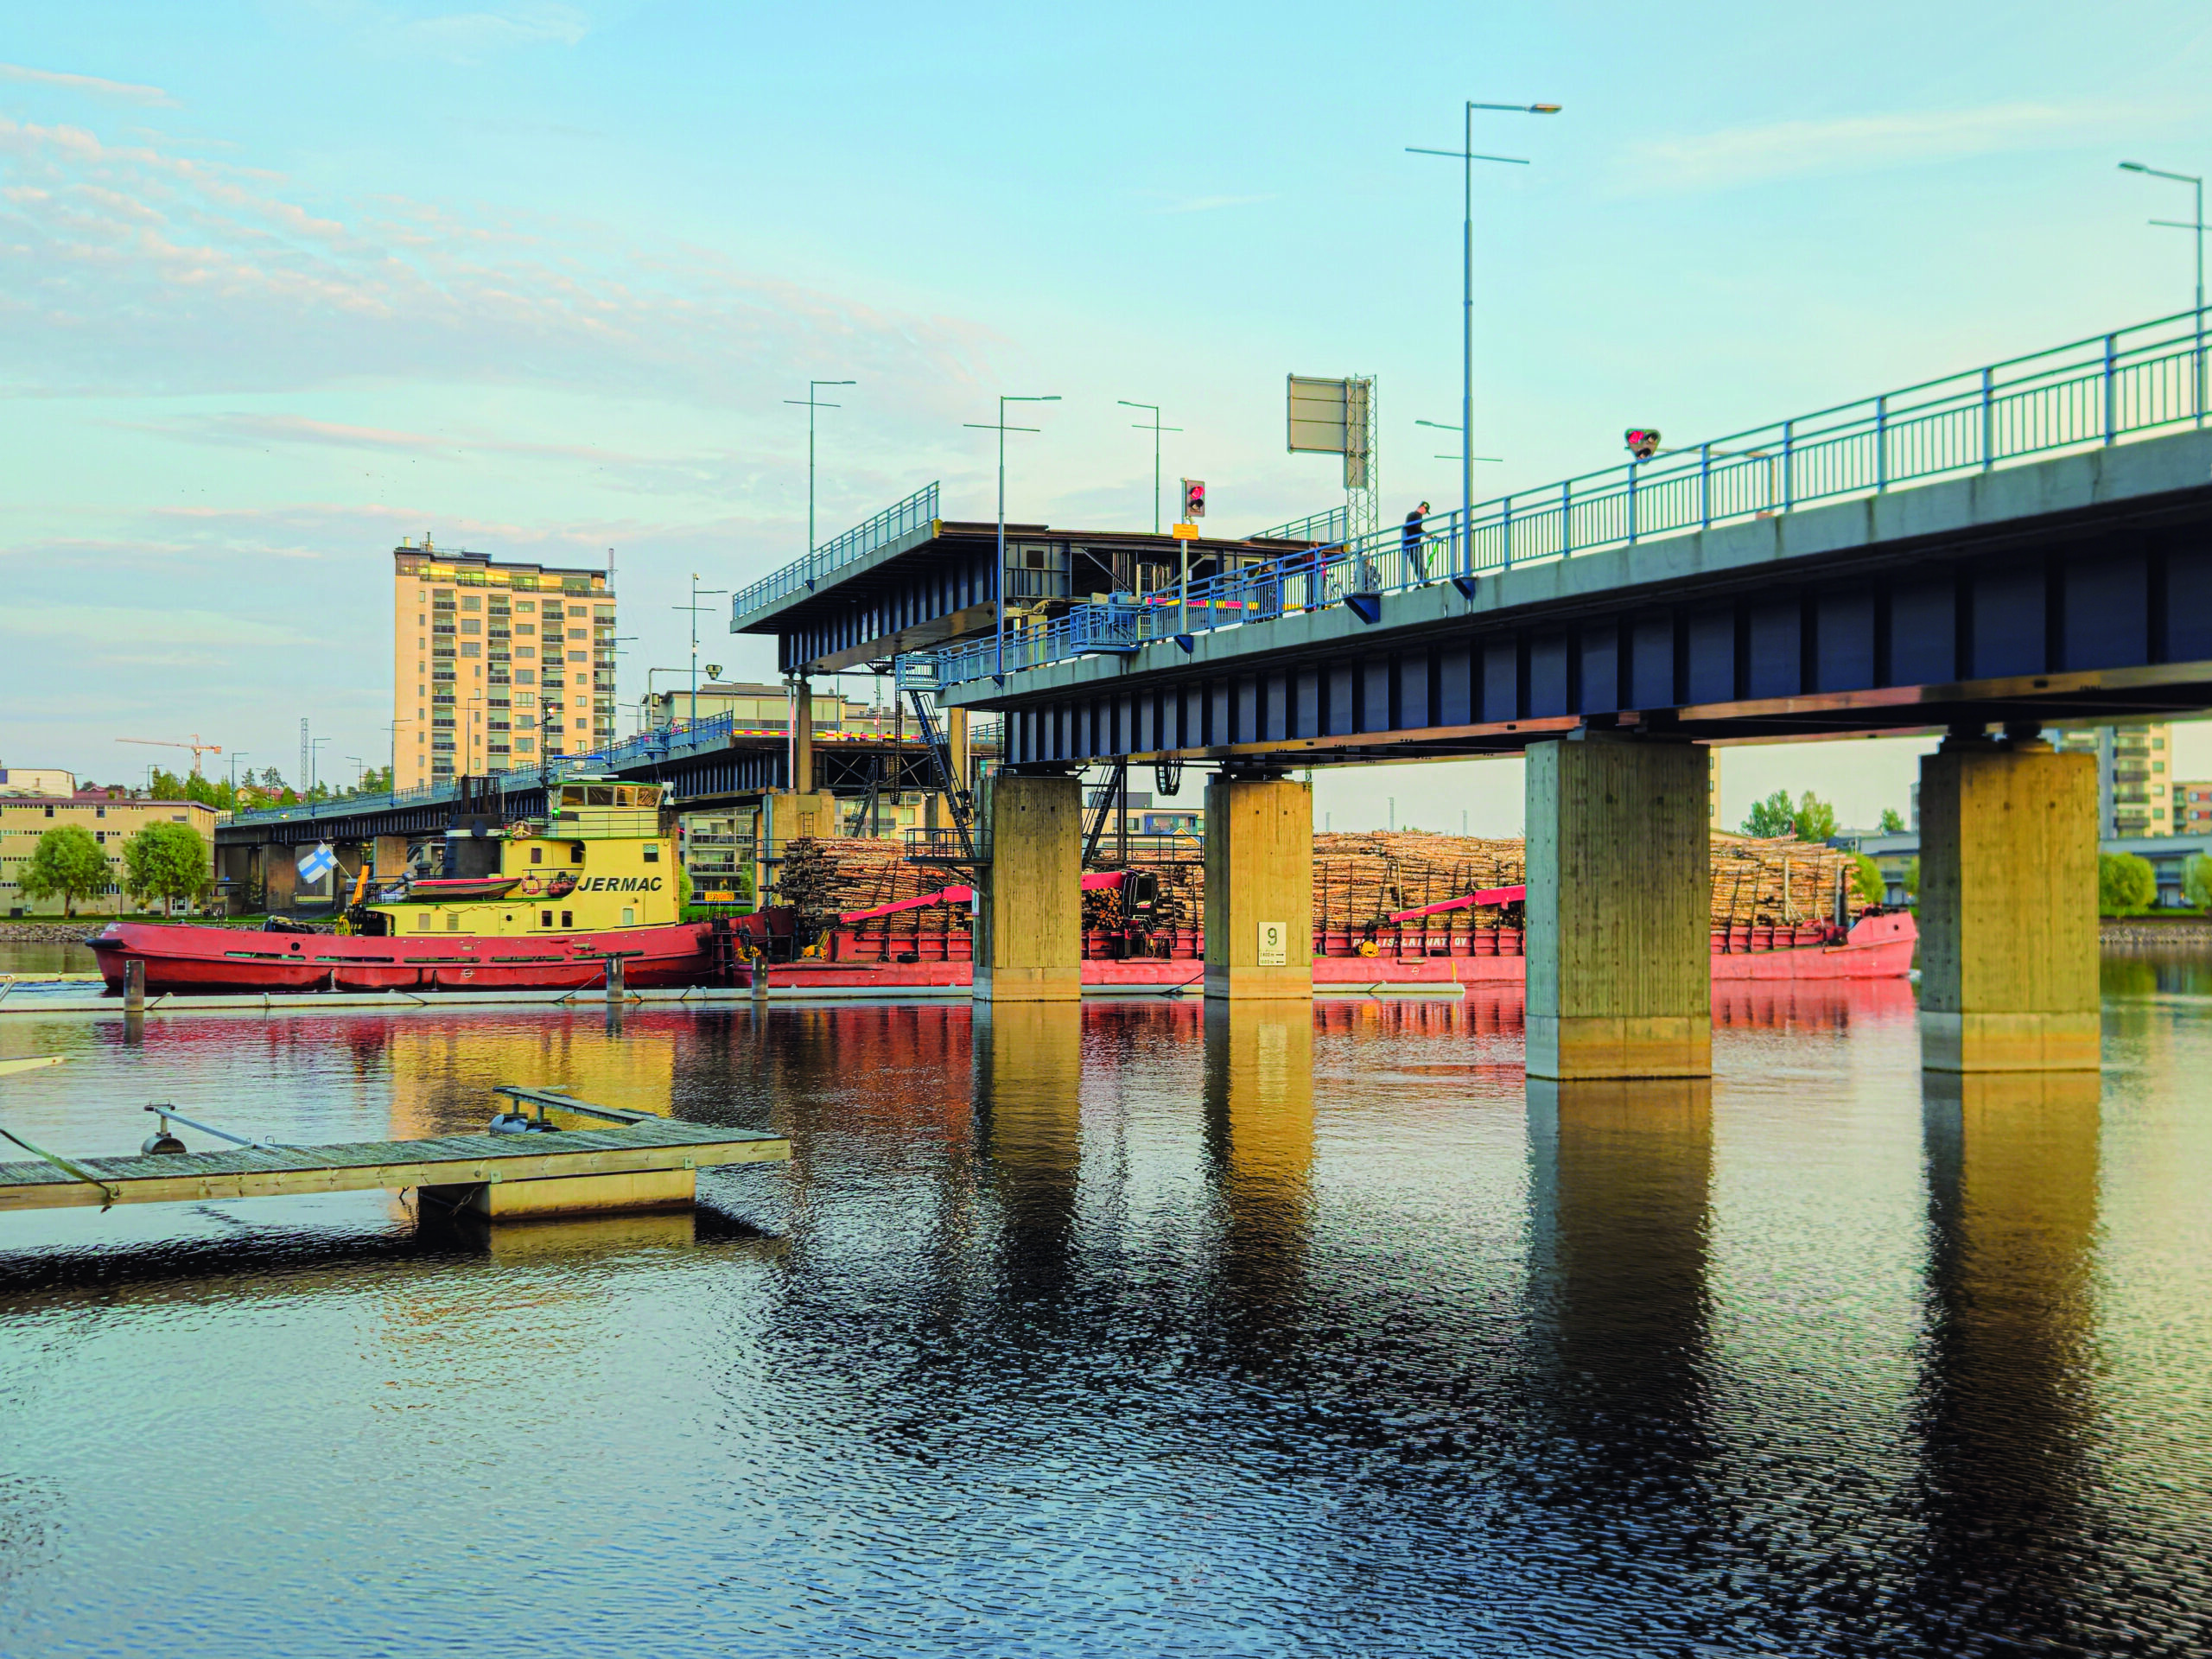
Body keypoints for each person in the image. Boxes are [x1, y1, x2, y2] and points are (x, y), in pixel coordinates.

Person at [1402, 501, 1431, 580]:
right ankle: (1424, 580)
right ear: (1423, 508)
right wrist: (1426, 534)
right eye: (1425, 511)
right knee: (1418, 564)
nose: (1425, 513)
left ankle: (1423, 579)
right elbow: (1416, 527)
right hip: (1412, 544)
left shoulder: (1413, 515)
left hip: (1415, 544)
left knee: (1419, 564)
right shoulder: (1416, 515)